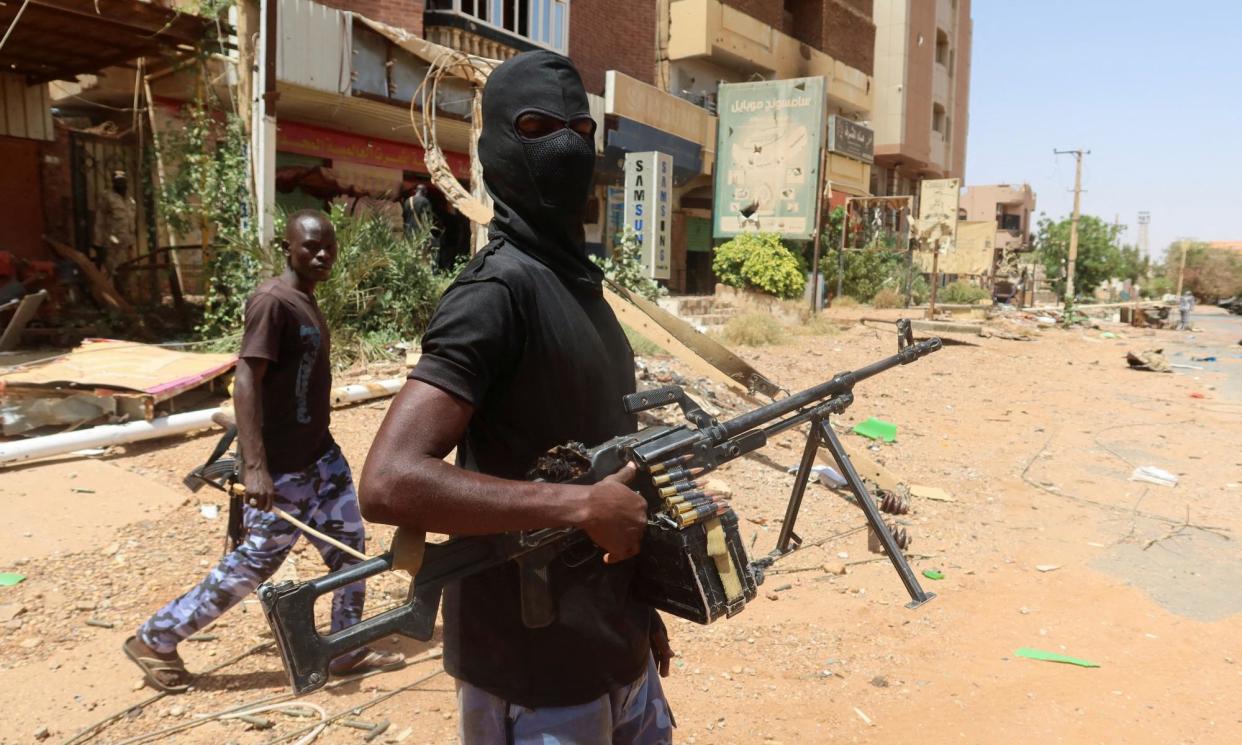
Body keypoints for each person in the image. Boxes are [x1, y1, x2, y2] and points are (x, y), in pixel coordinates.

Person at [359, 51, 674, 744]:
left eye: (580, 129)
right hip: (534, 676)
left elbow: (609, 467)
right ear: (498, 143)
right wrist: (583, 506)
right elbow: (387, 482)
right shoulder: (495, 293)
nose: (565, 146)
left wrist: (641, 610)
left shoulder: (583, 290)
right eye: (536, 126)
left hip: (617, 654)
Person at [123, 210, 402, 693]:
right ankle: (155, 639)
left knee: (350, 552)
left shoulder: (305, 301)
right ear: (288, 248)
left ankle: (347, 646)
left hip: (321, 458)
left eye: (328, 246)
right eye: (310, 246)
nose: (321, 254)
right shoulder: (272, 301)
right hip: (283, 469)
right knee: (252, 566)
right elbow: (246, 380)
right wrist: (255, 468)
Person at [93, 170, 136, 295]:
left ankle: (125, 302)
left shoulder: (131, 200)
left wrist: (131, 244)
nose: (120, 183)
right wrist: (98, 243)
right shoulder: (107, 197)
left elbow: (131, 223)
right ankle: (113, 303)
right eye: (117, 181)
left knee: (127, 275)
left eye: (122, 181)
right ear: (113, 182)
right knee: (112, 274)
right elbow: (99, 221)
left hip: (127, 245)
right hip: (112, 245)